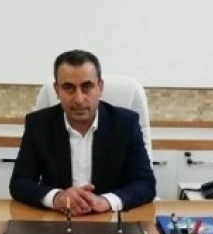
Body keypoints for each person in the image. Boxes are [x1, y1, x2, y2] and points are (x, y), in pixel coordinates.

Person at [9, 49, 156, 216]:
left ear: (100, 87)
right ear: (57, 90)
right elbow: (20, 182)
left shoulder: (126, 123)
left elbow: (145, 183)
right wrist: (57, 197)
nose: (79, 99)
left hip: (109, 219)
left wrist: (106, 201)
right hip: (58, 218)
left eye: (87, 87)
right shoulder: (38, 124)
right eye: (68, 88)